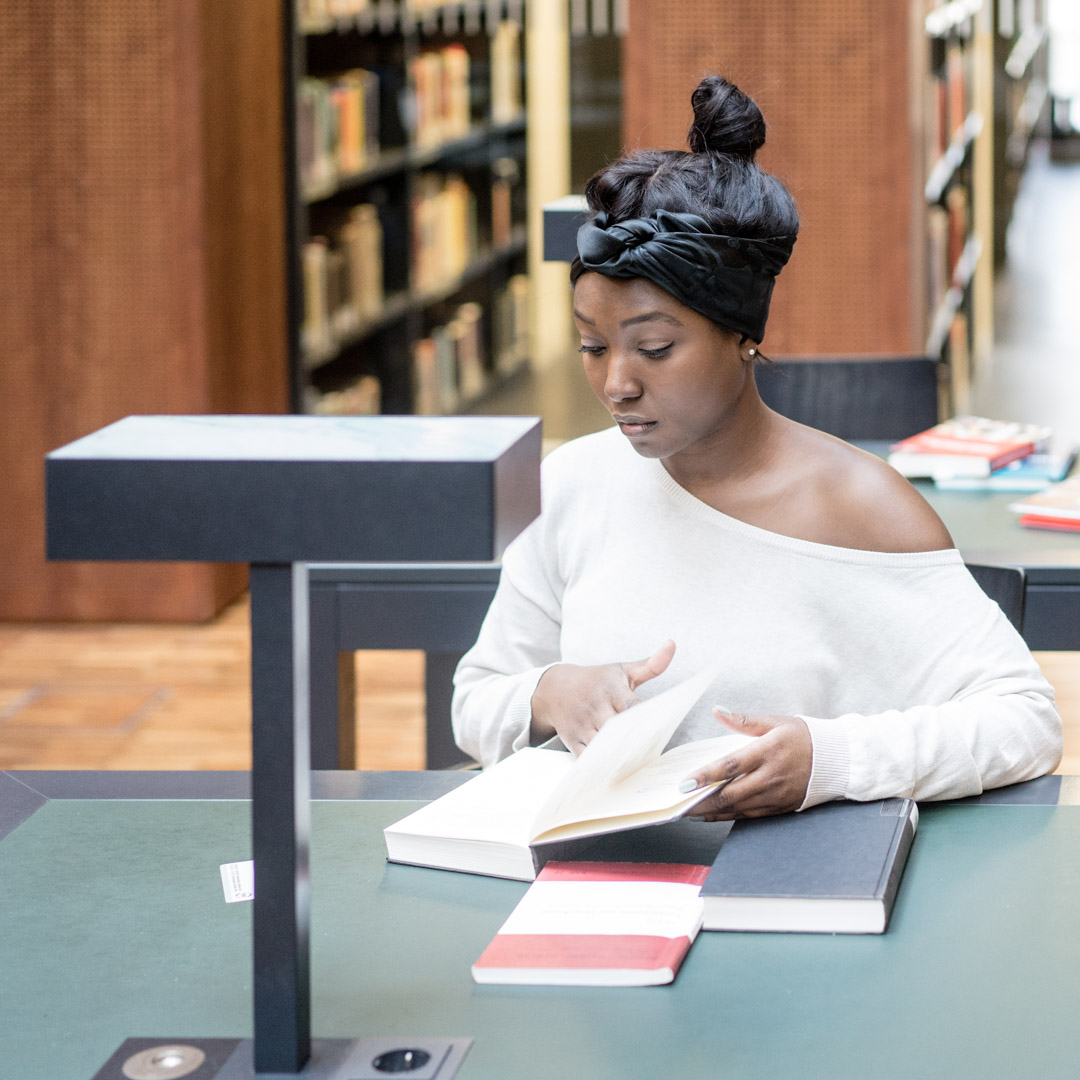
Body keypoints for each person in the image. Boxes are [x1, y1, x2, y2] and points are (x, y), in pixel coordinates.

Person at [452, 75, 1061, 818]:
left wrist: (829, 761)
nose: (616, 383)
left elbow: (1024, 720)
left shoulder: (860, 506)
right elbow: (476, 700)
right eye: (591, 345)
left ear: (742, 334)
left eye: (654, 347)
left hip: (802, 898)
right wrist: (548, 693)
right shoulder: (573, 485)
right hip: (599, 888)